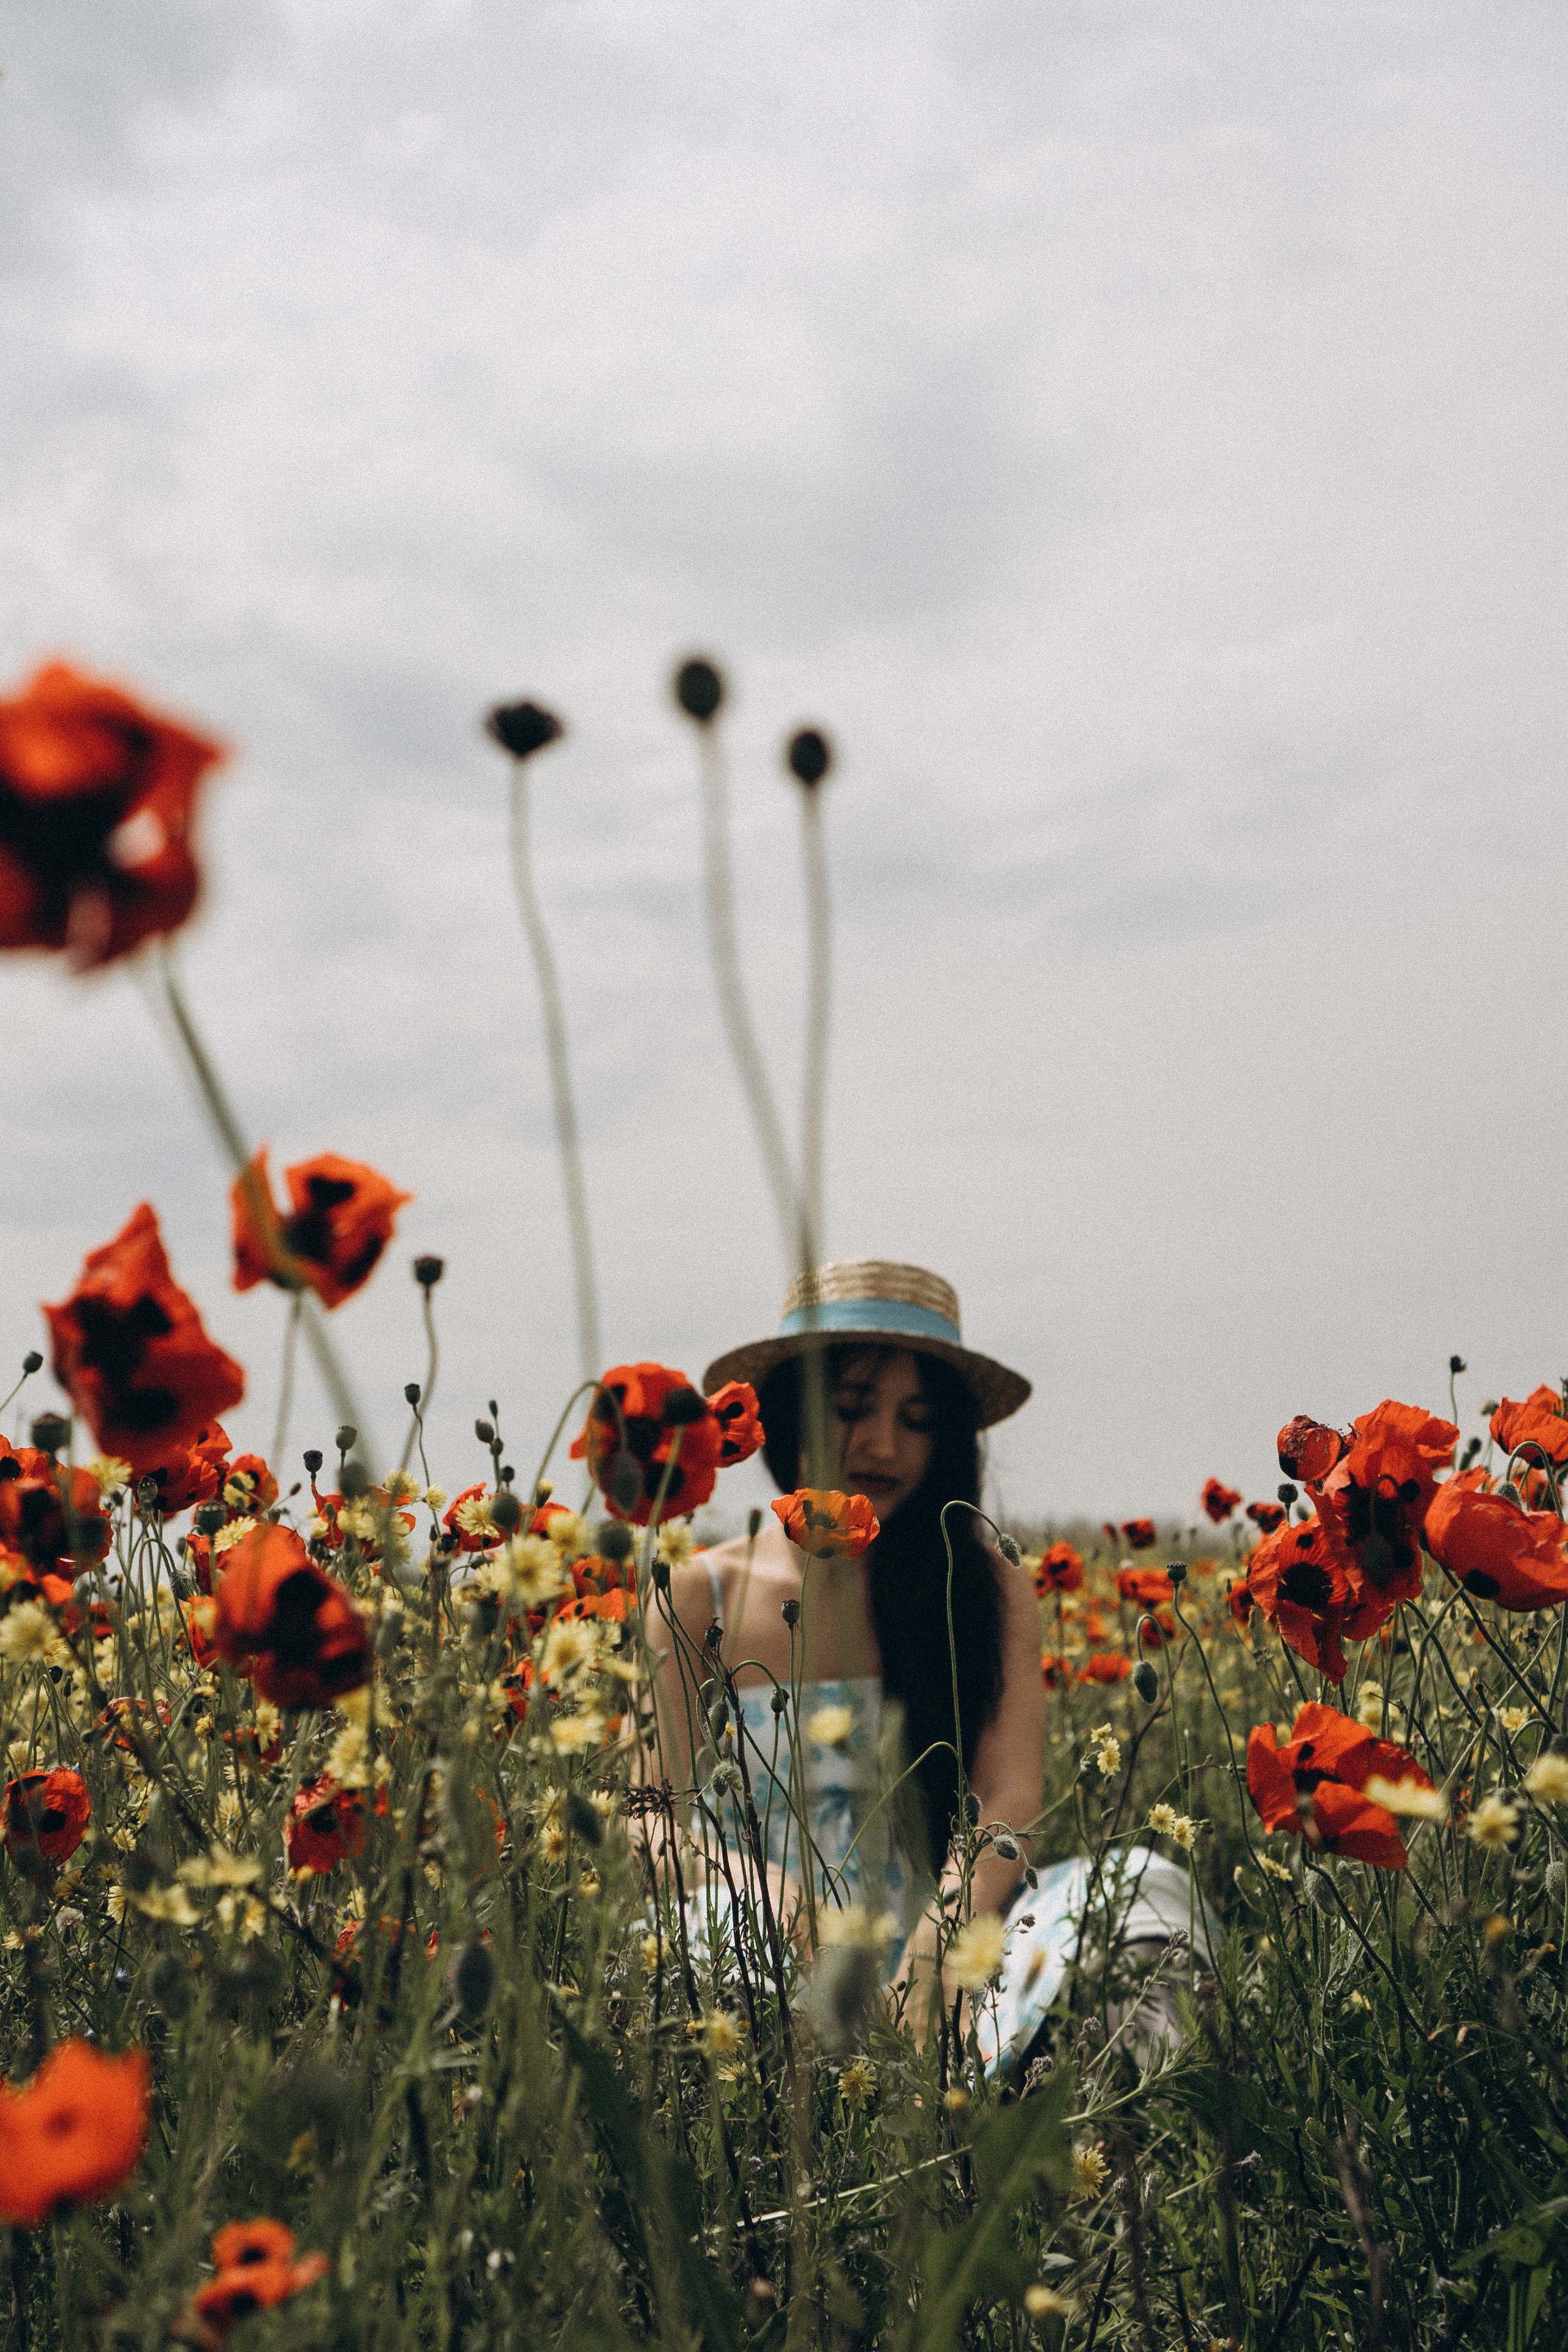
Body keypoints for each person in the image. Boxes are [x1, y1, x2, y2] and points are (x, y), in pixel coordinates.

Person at [645, 1260, 1209, 2073]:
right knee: (683, 1965)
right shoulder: (704, 1594)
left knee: (1147, 1893)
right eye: (851, 1409)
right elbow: (645, 1816)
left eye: (917, 1420)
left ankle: (1066, 2114)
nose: (884, 1445)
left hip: (953, 1927)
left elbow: (1008, 1799)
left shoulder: (985, 1587)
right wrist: (773, 1901)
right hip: (759, 1939)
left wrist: (936, 1954)